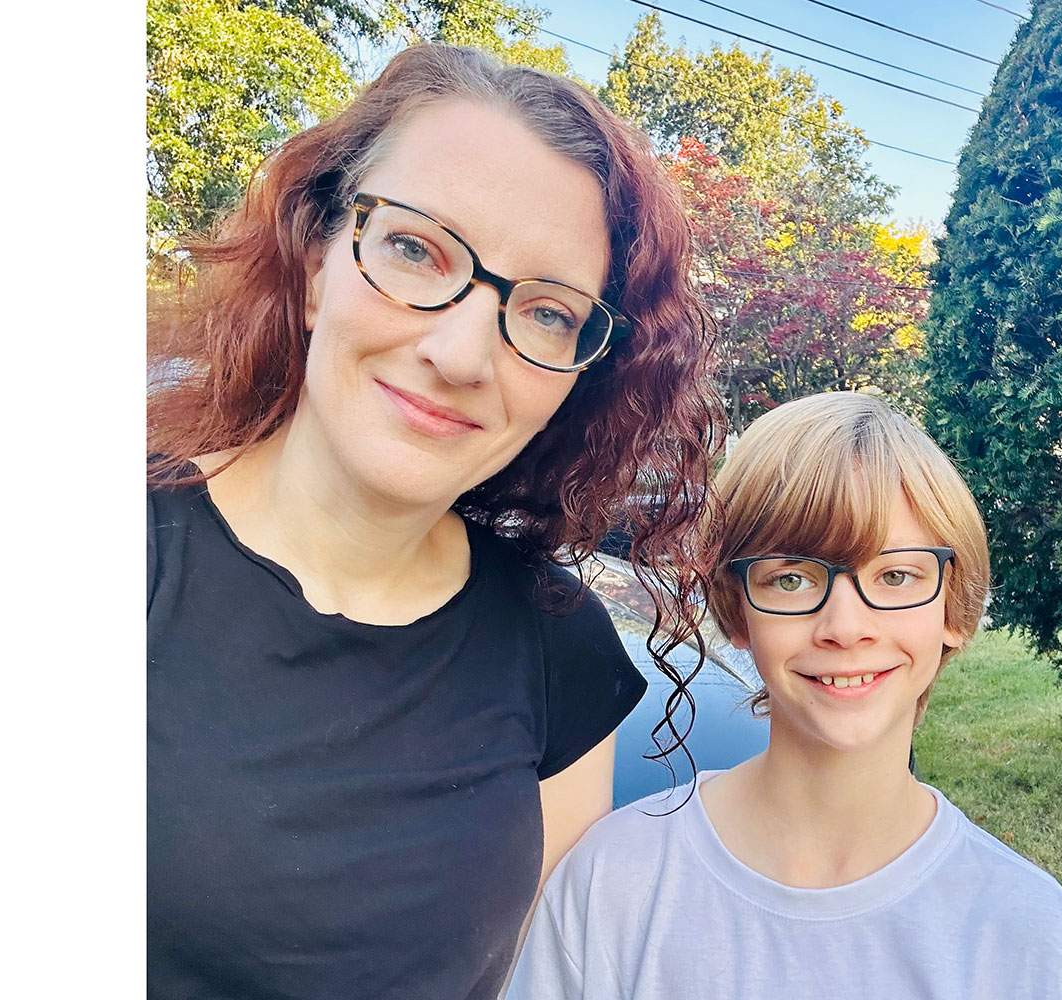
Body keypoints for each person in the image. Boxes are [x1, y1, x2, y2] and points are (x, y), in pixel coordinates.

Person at [146, 45, 722, 999]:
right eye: (416, 249)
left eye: (545, 312)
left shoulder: (556, 643)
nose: (460, 353)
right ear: (315, 262)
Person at [508, 391, 1062, 999]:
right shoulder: (614, 883)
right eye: (793, 579)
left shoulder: (1033, 936)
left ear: (953, 609)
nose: (847, 627)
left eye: (897, 575)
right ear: (737, 611)